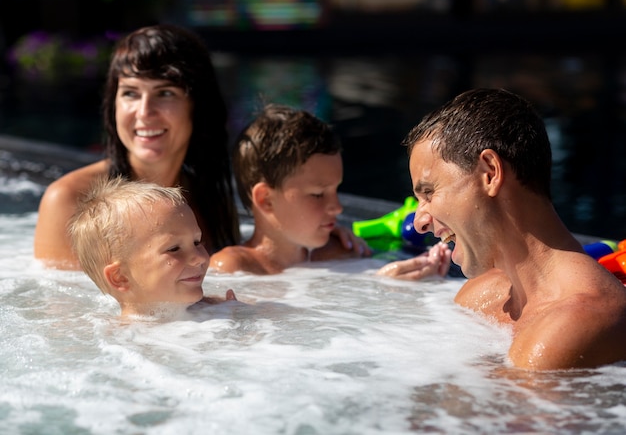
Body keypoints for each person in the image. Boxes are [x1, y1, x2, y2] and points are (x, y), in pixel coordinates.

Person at [404, 87, 626, 370]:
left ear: (490, 173)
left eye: (429, 192)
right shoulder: (479, 295)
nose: (420, 220)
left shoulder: (577, 324)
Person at [34, 24, 240, 270]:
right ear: (114, 104)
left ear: (198, 106)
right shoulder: (71, 201)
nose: (144, 112)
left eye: (165, 93)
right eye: (131, 93)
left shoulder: (210, 197)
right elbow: (62, 305)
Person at [209, 103, 451, 278]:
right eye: (318, 194)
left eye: (336, 190)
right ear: (266, 200)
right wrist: (382, 290)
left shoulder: (337, 254)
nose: (337, 207)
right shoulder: (231, 267)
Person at [68, 176, 236, 318]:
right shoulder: (127, 341)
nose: (199, 258)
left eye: (196, 242)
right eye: (174, 249)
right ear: (120, 277)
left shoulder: (214, 307)